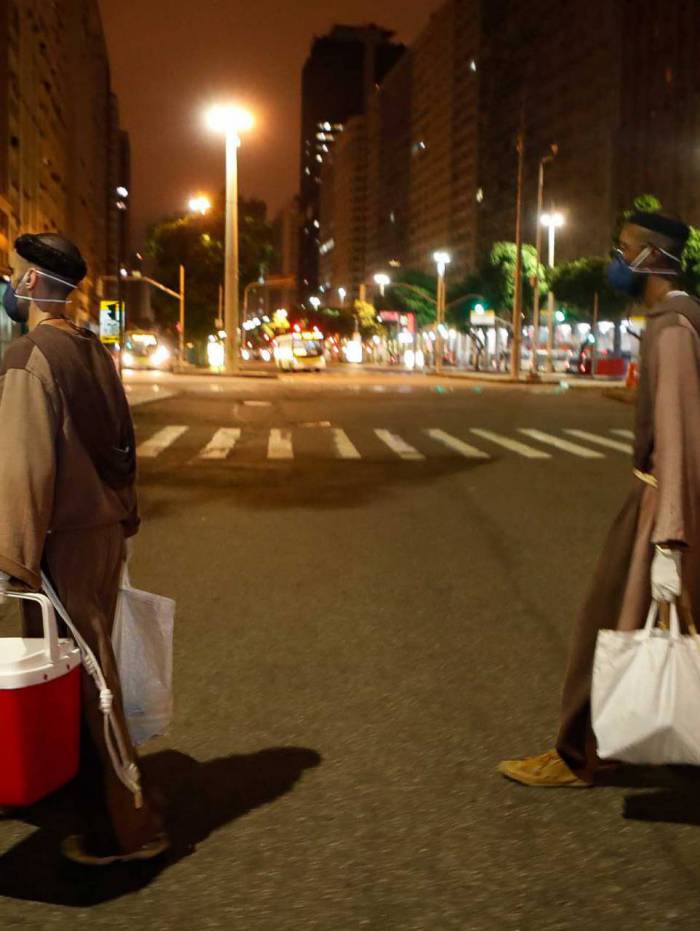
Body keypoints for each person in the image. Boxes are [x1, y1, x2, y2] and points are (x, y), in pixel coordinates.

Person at [499, 211, 700, 787]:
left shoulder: (673, 325)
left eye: (624, 249)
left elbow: (679, 431)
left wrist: (669, 537)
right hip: (665, 501)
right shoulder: (676, 318)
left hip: (662, 506)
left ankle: (577, 756)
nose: (617, 260)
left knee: (603, 624)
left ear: (652, 258)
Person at [0, 233, 168, 864]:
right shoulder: (92, 350)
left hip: (61, 544)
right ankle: (85, 797)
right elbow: (121, 445)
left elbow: (23, 471)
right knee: (89, 675)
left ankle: (132, 824)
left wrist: (8, 563)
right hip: (100, 537)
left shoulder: (29, 357)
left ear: (28, 285)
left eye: (12, 274)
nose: (8, 285)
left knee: (92, 683)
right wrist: (123, 518)